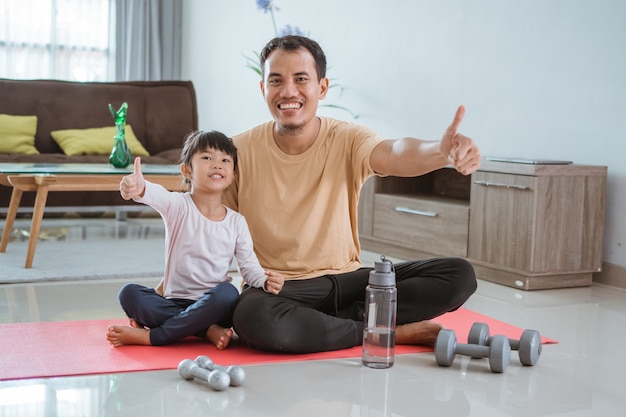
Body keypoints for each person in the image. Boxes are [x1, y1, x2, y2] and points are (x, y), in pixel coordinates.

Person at [222, 35, 481, 354]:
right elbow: (213, 234)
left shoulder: (347, 138)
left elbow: (396, 152)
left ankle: (333, 324)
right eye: (276, 81)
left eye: (301, 79)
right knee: (251, 314)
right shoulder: (235, 152)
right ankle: (388, 332)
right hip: (278, 288)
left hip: (350, 284)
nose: (289, 91)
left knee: (458, 274)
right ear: (263, 89)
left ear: (322, 87)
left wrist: (440, 152)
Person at [106, 130, 285, 349]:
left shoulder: (237, 222)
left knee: (228, 293)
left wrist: (265, 281)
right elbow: (155, 193)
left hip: (213, 307)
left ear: (232, 175)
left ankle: (153, 336)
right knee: (129, 294)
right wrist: (138, 187)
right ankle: (204, 330)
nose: (217, 164)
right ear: (187, 170)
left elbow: (248, 268)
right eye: (207, 158)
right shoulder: (177, 205)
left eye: (225, 160)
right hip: (173, 301)